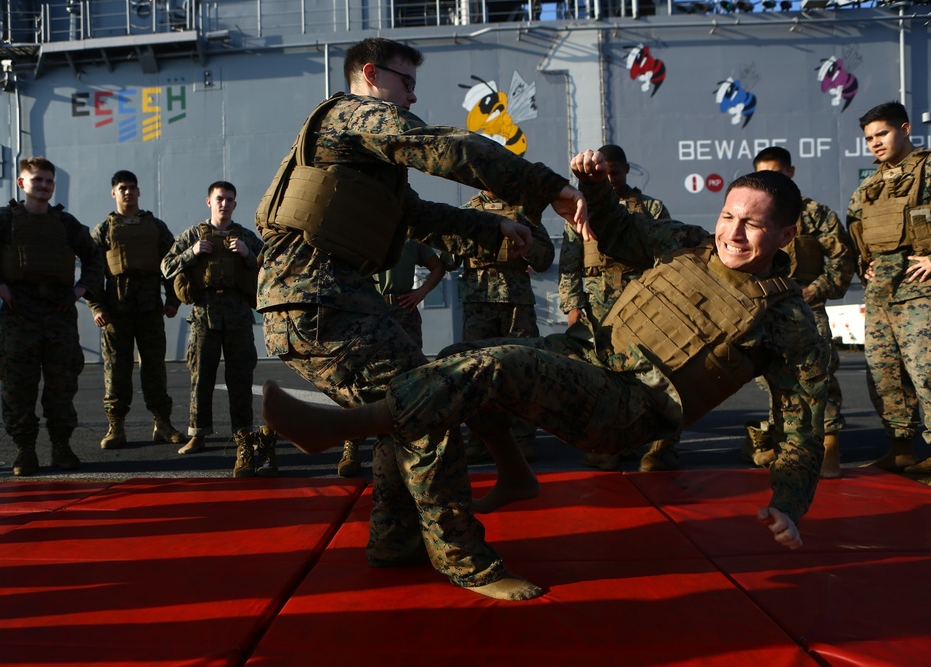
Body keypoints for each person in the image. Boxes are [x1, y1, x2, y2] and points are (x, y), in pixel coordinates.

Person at [262, 154, 827, 602]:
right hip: (585, 356)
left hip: (629, 409)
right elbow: (621, 235)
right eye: (728, 216)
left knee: (498, 368)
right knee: (464, 352)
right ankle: (510, 473)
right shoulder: (687, 244)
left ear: (785, 234)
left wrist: (789, 504)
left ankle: (340, 428)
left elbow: (802, 427)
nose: (732, 232)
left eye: (752, 224)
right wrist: (595, 186)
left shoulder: (787, 321)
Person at [254, 37, 589, 601]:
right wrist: (547, 188)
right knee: (427, 411)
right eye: (405, 82)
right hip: (317, 304)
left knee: (400, 414)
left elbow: (413, 214)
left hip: (339, 301)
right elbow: (446, 148)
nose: (412, 95)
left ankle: (395, 539)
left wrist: (492, 228)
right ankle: (464, 560)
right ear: (370, 73)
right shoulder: (354, 115)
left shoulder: (360, 155)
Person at [0, 157, 103, 476]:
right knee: (17, 386)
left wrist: (80, 291)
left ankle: (62, 446)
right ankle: (25, 450)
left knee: (62, 385)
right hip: (18, 313)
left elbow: (95, 259)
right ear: (22, 183)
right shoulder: (3, 219)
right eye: (38, 180)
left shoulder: (67, 224)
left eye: (49, 181)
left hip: (59, 314)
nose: (45, 186)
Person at [557, 143, 676, 472]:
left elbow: (668, 259)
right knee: (607, 379)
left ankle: (661, 449)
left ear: (625, 170)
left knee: (656, 375)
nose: (610, 180)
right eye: (604, 174)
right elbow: (570, 263)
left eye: (616, 173)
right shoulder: (582, 208)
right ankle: (612, 446)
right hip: (600, 309)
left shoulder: (650, 208)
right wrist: (573, 306)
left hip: (646, 303)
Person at [749, 147, 854, 478]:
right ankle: (787, 449)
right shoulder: (751, 214)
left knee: (818, 378)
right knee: (773, 381)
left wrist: (817, 290)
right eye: (765, 173)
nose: (774, 179)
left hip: (807, 311)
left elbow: (841, 259)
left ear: (791, 172)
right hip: (767, 310)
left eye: (779, 172)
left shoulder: (815, 215)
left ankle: (829, 453)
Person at [161, 181, 274, 479]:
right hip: (203, 315)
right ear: (208, 202)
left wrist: (249, 254)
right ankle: (198, 434)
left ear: (235, 205)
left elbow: (271, 270)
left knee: (240, 379)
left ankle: (243, 437)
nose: (224, 204)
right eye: (219, 199)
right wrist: (192, 253)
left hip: (238, 315)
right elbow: (166, 266)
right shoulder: (193, 236)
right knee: (201, 378)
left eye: (229, 200)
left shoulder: (246, 237)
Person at [845, 102, 931, 474]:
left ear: (906, 128)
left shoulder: (928, 170)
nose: (875, 143)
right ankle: (901, 451)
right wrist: (865, 267)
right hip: (881, 295)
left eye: (882, 133)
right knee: (884, 374)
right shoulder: (869, 186)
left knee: (927, 372)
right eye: (869, 138)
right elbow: (857, 234)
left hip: (921, 292)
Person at [87, 170, 185, 451]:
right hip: (115, 311)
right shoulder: (104, 229)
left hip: (150, 310)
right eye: (122, 188)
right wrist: (96, 306)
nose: (127, 192)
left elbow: (172, 263)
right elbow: (93, 270)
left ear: (139, 192)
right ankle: (116, 427)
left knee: (154, 369)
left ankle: (163, 424)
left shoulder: (155, 226)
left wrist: (173, 300)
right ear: (113, 193)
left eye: (132, 188)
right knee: (116, 370)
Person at [456, 191, 554, 464]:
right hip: (478, 303)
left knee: (522, 369)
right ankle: (479, 441)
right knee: (476, 371)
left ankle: (522, 439)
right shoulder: (467, 210)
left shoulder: (524, 211)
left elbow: (545, 257)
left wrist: (527, 245)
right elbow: (449, 254)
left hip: (516, 304)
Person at [337, 239, 447, 477]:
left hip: (403, 310)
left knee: (410, 380)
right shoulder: (363, 229)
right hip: (368, 309)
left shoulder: (410, 236)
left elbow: (438, 267)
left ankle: (409, 446)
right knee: (357, 377)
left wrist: (421, 292)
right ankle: (352, 444)